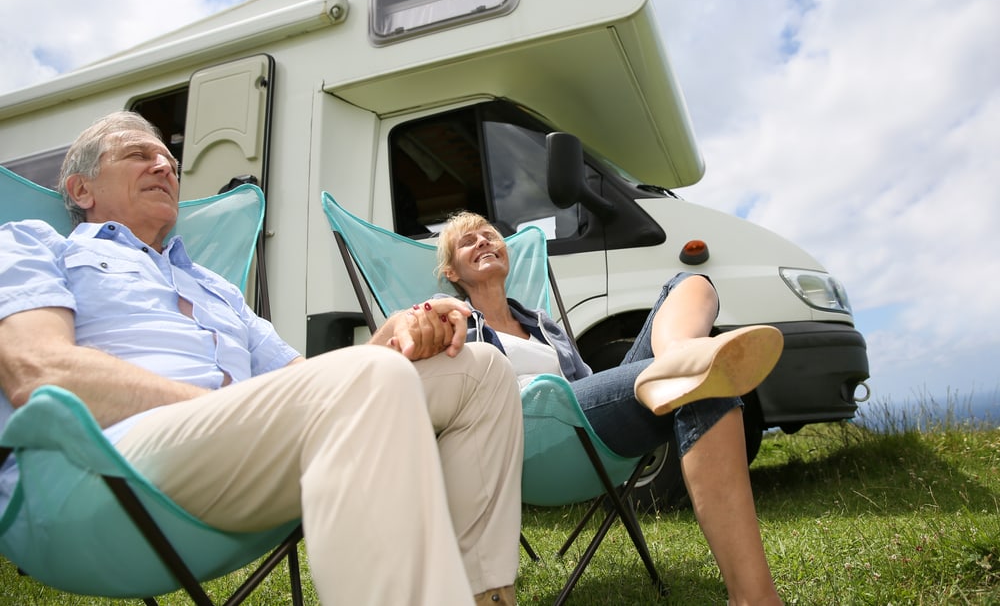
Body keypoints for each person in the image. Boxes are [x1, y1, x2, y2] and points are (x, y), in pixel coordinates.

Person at [0, 112, 523, 606]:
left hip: (238, 453)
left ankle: (483, 596)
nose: (165, 167)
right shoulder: (36, 244)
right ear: (80, 188)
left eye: (172, 164)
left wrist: (400, 330)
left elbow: (310, 383)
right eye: (140, 155)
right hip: (98, 469)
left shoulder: (215, 288)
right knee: (368, 379)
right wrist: (220, 405)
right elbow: (40, 370)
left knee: (482, 371)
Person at [435, 211, 785, 606]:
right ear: (451, 272)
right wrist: (444, 309)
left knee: (691, 284)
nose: (483, 241)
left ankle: (678, 356)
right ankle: (756, 599)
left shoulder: (541, 324)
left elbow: (585, 384)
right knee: (705, 377)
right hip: (532, 437)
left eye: (489, 235)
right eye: (469, 242)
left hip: (582, 422)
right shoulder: (454, 318)